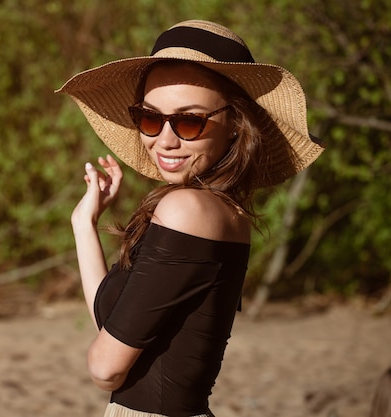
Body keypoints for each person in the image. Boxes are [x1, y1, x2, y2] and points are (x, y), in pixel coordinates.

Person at [57, 20, 324, 417]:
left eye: (189, 121)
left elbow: (105, 368)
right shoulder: (220, 212)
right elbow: (114, 330)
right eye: (149, 118)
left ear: (235, 124)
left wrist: (104, 360)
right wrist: (85, 222)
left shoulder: (187, 211)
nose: (164, 140)